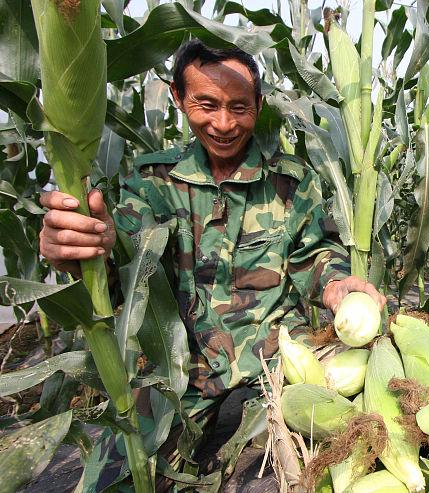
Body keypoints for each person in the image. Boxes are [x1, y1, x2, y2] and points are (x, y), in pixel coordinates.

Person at [38, 40, 385, 488]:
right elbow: (119, 272)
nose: (224, 123)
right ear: (178, 98)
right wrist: (79, 252)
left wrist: (338, 285)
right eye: (206, 104)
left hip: (272, 373)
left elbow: (315, 256)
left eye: (239, 107)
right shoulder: (149, 183)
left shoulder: (291, 181)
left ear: (259, 106)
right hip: (175, 378)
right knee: (114, 480)